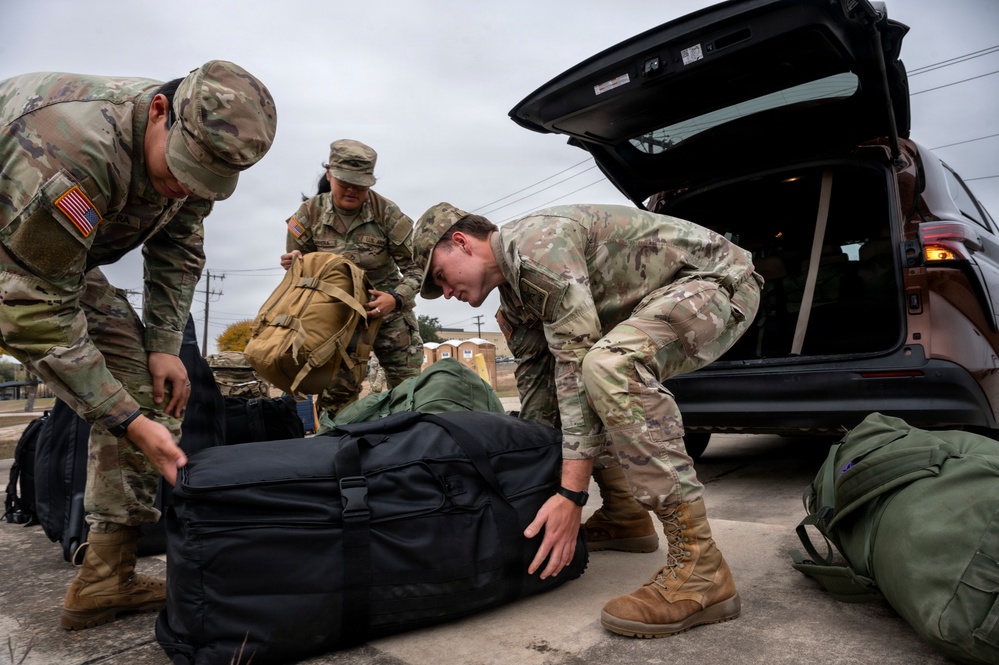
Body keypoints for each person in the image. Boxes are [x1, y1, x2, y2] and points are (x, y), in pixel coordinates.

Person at [0, 60, 277, 629]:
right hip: (20, 252)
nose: (185, 187)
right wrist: (125, 418)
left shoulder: (201, 154)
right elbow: (30, 310)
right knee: (126, 404)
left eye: (204, 181)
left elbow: (178, 247)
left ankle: (106, 577)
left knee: (144, 385)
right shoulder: (71, 152)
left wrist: (163, 345)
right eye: (181, 171)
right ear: (159, 112)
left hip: (48, 262)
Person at [412, 202, 762, 638]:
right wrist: (534, 485)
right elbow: (540, 391)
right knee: (584, 381)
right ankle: (626, 515)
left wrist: (571, 496)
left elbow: (576, 369)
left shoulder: (539, 249)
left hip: (717, 284)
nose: (445, 293)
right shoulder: (517, 297)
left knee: (609, 367)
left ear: (461, 242)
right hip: (666, 297)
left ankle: (701, 567)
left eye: (441, 276)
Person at [280, 139, 423, 417]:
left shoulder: (387, 215)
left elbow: (418, 269)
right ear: (329, 174)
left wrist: (396, 298)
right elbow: (302, 277)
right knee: (336, 401)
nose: (352, 190)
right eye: (345, 181)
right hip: (337, 321)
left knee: (409, 393)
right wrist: (294, 266)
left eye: (360, 184)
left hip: (388, 316)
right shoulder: (308, 215)